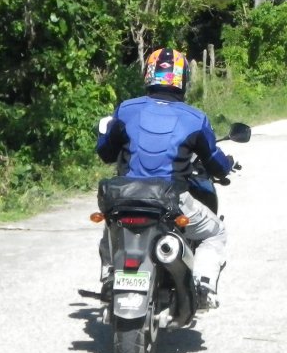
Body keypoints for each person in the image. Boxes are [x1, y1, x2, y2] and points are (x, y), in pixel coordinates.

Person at [95, 47, 234, 309]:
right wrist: (226, 166)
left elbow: (106, 153)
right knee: (215, 233)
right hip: (170, 199)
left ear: (149, 74)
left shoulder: (126, 109)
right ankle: (203, 285)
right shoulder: (195, 118)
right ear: (183, 79)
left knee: (112, 225)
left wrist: (104, 134)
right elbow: (214, 162)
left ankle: (107, 275)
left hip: (125, 196)